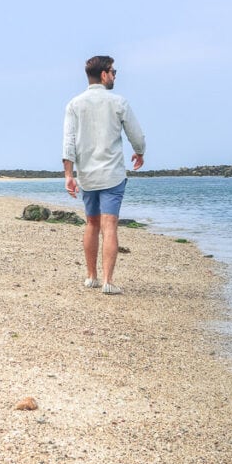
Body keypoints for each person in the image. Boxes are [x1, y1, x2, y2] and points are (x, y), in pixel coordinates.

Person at [62, 55, 146, 295]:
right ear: (103, 74)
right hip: (112, 174)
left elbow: (68, 142)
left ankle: (91, 277)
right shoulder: (119, 102)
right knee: (110, 225)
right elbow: (136, 135)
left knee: (91, 223)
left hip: (87, 174)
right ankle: (108, 281)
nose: (115, 75)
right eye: (113, 71)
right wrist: (139, 153)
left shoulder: (74, 104)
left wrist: (69, 174)